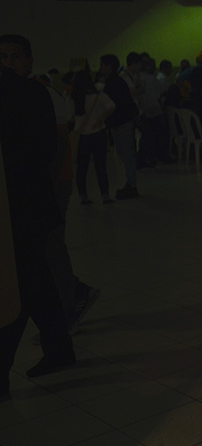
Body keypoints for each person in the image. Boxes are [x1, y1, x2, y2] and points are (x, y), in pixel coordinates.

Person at [0, 35, 76, 395]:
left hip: (22, 204)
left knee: (23, 283)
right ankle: (59, 348)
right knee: (34, 281)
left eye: (14, 57)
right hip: (27, 201)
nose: (8, 63)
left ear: (29, 61)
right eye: (3, 57)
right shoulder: (30, 93)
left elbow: (53, 149)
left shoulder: (32, 94)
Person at [99, 53, 140, 199]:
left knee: (126, 154)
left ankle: (132, 184)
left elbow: (114, 105)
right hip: (125, 121)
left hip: (120, 122)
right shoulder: (118, 80)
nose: (100, 68)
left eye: (102, 65)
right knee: (127, 153)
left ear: (108, 67)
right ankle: (131, 183)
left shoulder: (112, 83)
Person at [71, 69, 115, 204]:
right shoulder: (98, 96)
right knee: (100, 166)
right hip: (98, 134)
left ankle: (83, 196)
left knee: (82, 167)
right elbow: (112, 106)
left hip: (81, 136)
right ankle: (105, 196)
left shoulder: (72, 98)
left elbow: (70, 117)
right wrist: (101, 118)